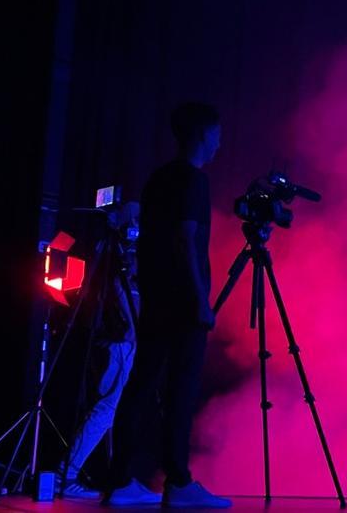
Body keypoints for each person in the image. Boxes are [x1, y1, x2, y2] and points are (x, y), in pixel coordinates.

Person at [104, 102, 230, 508]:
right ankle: (178, 481)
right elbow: (185, 240)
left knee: (140, 385)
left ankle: (120, 480)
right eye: (216, 133)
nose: (219, 142)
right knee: (181, 391)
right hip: (182, 303)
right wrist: (200, 300)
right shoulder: (194, 181)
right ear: (201, 135)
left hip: (156, 298)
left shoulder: (158, 179)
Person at [59, 204, 142, 499]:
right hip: (120, 344)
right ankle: (65, 475)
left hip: (116, 343)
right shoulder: (117, 261)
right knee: (106, 411)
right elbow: (124, 305)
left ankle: (82, 475)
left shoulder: (109, 257)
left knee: (108, 411)